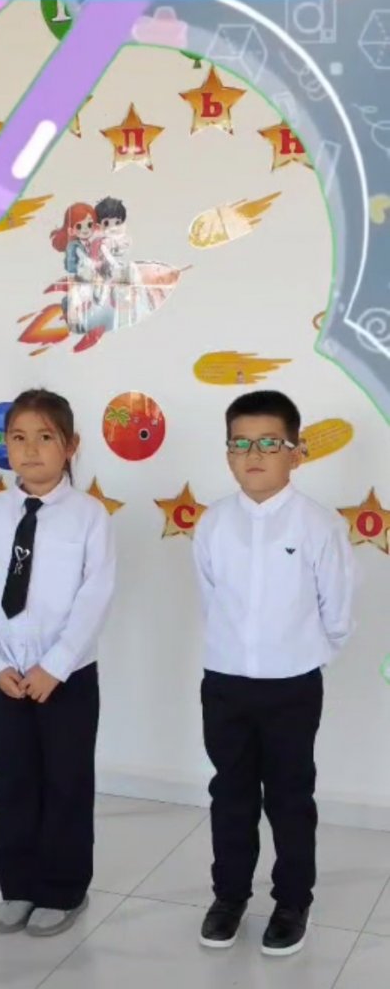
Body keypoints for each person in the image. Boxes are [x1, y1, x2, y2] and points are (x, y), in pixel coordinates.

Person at [192, 390, 355, 957]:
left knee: (289, 797)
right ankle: (229, 896)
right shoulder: (213, 522)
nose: (253, 454)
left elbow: (337, 611)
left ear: (296, 451)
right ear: (228, 453)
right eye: (240, 444)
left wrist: (302, 657)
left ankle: (291, 902)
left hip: (292, 685)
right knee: (230, 794)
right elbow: (210, 597)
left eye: (268, 442)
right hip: (225, 683)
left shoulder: (318, 525)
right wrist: (236, 654)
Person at [0, 389, 115, 937]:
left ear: (70, 446)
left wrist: (57, 664)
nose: (30, 450)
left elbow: (95, 596)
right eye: (19, 438)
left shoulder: (90, 517)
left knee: (66, 782)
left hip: (66, 678)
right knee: (16, 781)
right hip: (6, 676)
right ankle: (19, 886)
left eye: (45, 437)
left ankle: (64, 889)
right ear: (5, 446)